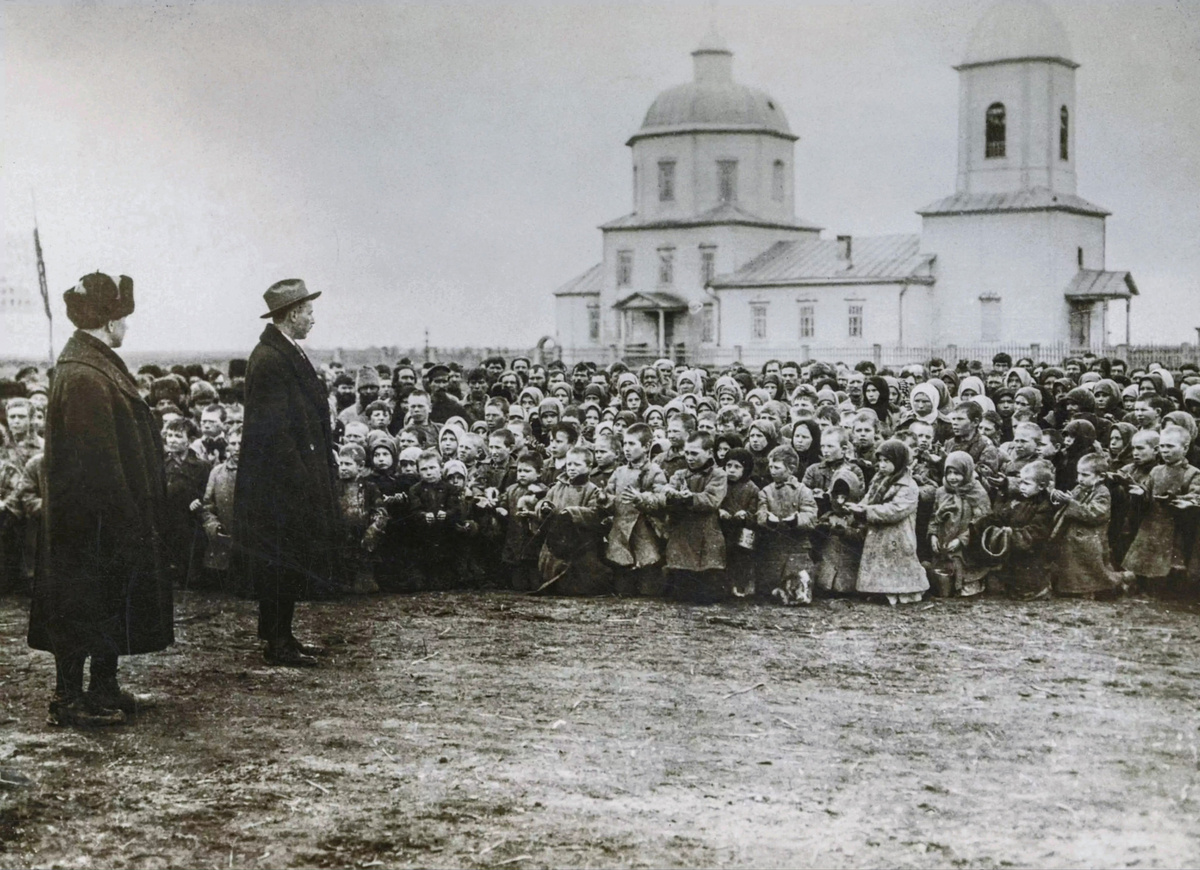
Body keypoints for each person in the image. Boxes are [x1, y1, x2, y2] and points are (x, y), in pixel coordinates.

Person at [29, 272, 173, 727]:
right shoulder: (85, 375)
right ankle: (69, 699)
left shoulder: (89, 364)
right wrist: (124, 516)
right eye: (122, 318)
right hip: (90, 520)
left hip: (94, 517)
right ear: (109, 321)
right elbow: (98, 464)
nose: (126, 326)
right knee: (80, 603)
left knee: (105, 598)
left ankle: (103, 687)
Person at [233, 279, 339, 667]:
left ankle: (283, 635)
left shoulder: (281, 352)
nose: (313, 318)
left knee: (285, 558)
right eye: (308, 311)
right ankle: (277, 641)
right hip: (278, 483)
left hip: (287, 478)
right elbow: (274, 433)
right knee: (277, 560)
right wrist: (303, 479)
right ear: (293, 313)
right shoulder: (271, 359)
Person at [848, 439, 928, 605]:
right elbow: (869, 498)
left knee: (897, 562)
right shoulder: (879, 480)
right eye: (881, 461)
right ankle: (877, 590)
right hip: (878, 532)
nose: (882, 465)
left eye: (887, 461)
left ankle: (902, 593)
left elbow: (896, 510)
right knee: (879, 561)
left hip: (898, 534)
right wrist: (860, 507)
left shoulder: (908, 485)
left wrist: (868, 512)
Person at [1050, 453, 1132, 598]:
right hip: (1074, 536)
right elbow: (1070, 503)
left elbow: (1096, 514)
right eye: (1079, 474)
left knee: (1092, 568)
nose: (1080, 478)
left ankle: (1117, 581)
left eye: (1085, 475)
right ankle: (1076, 588)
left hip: (1090, 538)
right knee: (1074, 564)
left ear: (1100, 477)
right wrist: (1061, 500)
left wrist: (1071, 503)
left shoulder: (1103, 493)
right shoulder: (1079, 488)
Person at [605, 423, 668, 597]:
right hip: (621, 527)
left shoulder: (654, 472)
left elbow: (661, 499)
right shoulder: (619, 472)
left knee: (648, 577)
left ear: (646, 446)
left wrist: (641, 498)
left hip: (644, 529)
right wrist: (605, 500)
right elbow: (609, 494)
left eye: (632, 444)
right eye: (625, 444)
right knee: (622, 574)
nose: (627, 449)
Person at [755, 445, 818, 604]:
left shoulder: (803, 491)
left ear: (791, 469)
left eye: (776, 467)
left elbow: (811, 515)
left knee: (798, 583)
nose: (772, 471)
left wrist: (796, 520)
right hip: (774, 545)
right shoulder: (766, 492)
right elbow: (760, 513)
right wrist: (768, 520)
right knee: (770, 586)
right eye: (770, 467)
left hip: (797, 545)